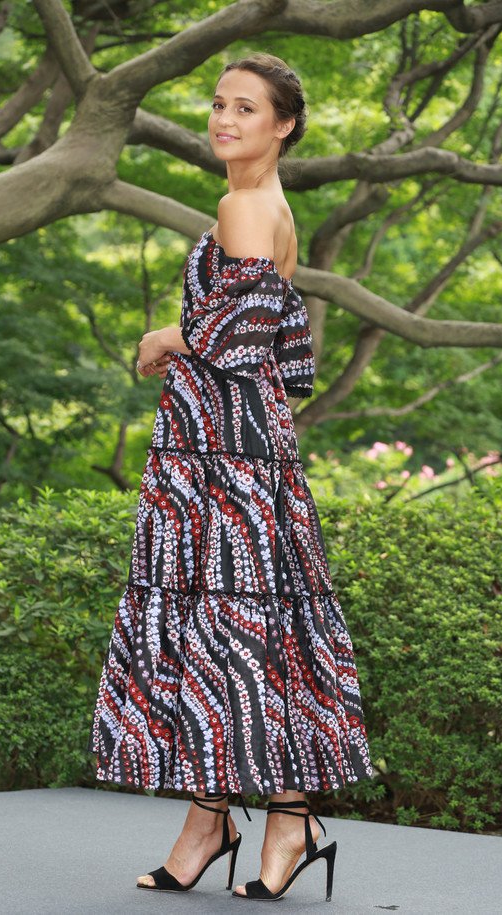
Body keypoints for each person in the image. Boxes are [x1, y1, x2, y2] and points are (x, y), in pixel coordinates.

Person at [87, 52, 374, 903]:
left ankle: (257, 819)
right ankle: (254, 818)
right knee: (240, 628)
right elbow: (265, 335)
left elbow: (241, 335)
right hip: (239, 442)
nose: (222, 119)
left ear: (284, 125)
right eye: (217, 104)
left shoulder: (244, 205)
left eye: (245, 107)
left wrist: (166, 336)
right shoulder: (268, 204)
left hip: (223, 447)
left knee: (227, 622)